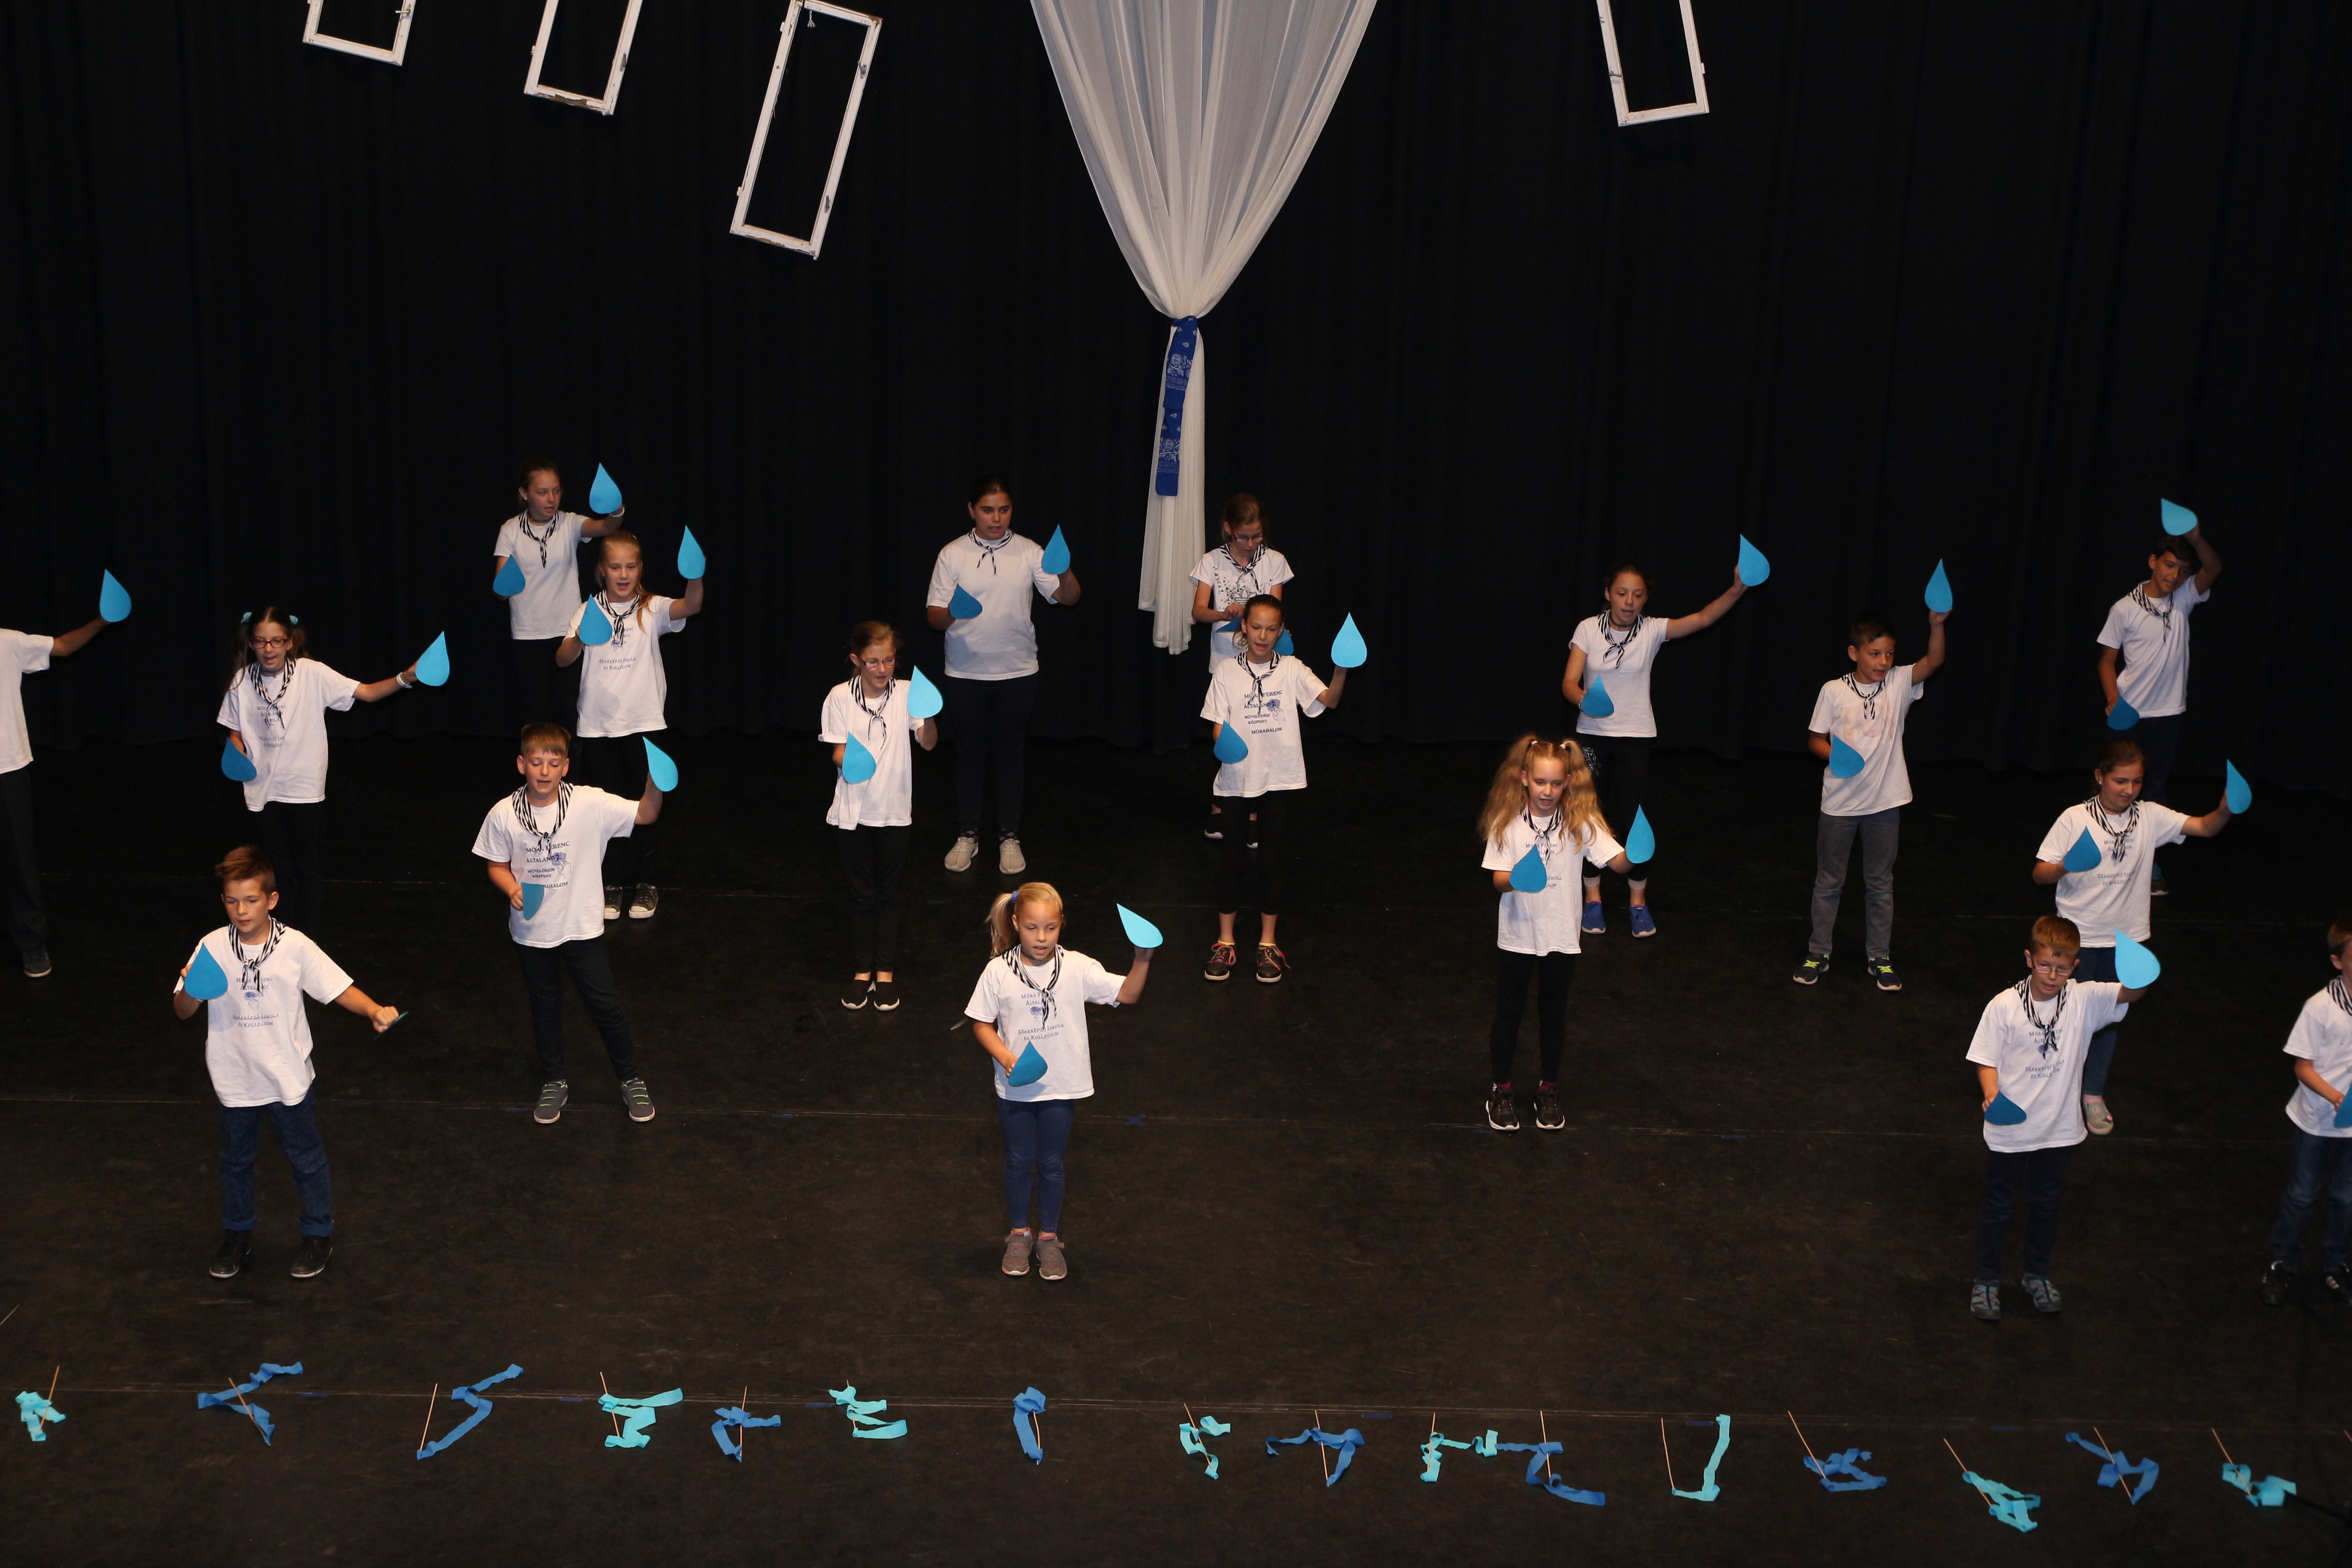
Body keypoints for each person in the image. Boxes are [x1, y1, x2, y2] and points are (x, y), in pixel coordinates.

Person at [170, 845, 402, 1282]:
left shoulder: (294, 946)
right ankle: (238, 1235)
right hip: (235, 1079)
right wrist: (193, 991)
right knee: (235, 1163)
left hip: (287, 1077)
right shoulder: (211, 947)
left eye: (251, 900)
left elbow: (336, 987)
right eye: (232, 901)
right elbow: (182, 1011)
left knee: (306, 1158)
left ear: (272, 900)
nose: (241, 910)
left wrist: (373, 1009)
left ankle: (317, 1234)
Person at [2030, 738, 2232, 1133]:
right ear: (2100, 776)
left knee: (2108, 1019)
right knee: (2063, 1018)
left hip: (2125, 941)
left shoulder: (2150, 816)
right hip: (2078, 939)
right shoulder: (2075, 818)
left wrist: (2225, 809)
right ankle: (2052, 1090)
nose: (2129, 790)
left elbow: (2205, 827)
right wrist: (2067, 865)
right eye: (2120, 781)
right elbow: (2040, 875)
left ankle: (2092, 1094)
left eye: (2137, 782)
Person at [470, 721, 664, 1126]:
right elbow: (496, 864)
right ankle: (554, 1080)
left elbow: (646, 814)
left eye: (553, 763)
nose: (544, 771)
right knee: (545, 1007)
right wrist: (512, 888)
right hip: (532, 931)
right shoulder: (504, 813)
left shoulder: (590, 803)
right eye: (536, 762)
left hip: (581, 928)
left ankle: (631, 1079)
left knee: (606, 1006)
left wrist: (655, 784)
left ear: (566, 766)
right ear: (521, 764)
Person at [1966, 916, 2151, 1322]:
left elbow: (2131, 993)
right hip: (2012, 1130)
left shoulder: (2085, 999)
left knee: (2046, 1206)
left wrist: (2141, 969)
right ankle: (1987, 1280)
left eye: (2063, 968)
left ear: (2076, 966)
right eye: (2045, 965)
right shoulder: (2004, 1005)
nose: (2053, 976)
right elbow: (1985, 1059)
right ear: (2029, 959)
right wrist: (1991, 1092)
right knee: (1998, 1207)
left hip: (2059, 1130)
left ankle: (2037, 1276)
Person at [965, 882, 1152, 1281]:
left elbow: (1128, 994)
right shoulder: (999, 971)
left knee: (1051, 1163)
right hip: (1016, 1088)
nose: (1042, 937)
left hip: (1061, 1087)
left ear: (1062, 924)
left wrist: (1143, 959)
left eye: (1050, 928)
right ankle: (1019, 1234)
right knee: (1018, 1161)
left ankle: (1048, 1238)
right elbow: (981, 1023)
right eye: (1032, 928)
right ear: (1016, 923)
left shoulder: (1078, 967)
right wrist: (1007, 1058)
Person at [1559, 561, 1749, 937]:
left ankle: (1638, 902)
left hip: (1635, 737)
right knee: (1589, 816)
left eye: (1638, 595)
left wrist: (1737, 589)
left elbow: (1703, 619)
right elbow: (1569, 682)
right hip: (1592, 737)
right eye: (1622, 593)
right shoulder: (1588, 629)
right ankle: (1592, 898)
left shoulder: (1652, 630)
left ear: (1646, 599)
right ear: (1608, 594)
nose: (1629, 602)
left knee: (1636, 822)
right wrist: (1584, 700)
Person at [216, 608, 420, 932]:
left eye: (277, 641)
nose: (269, 649)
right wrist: (237, 747)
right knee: (279, 868)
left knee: (307, 866)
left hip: (303, 789)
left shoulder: (311, 673)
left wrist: (406, 678)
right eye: (261, 641)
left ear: (290, 642)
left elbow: (367, 693)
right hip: (262, 789)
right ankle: (282, 934)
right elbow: (235, 730)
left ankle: (307, 938)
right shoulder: (242, 680)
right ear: (251, 643)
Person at [1476, 735, 1632, 1132]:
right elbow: (1498, 880)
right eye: (1541, 782)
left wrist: (1635, 855)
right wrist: (1518, 879)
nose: (1548, 791)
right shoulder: (1507, 821)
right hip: (1518, 935)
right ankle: (1501, 1090)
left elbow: (1617, 863)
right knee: (1509, 1013)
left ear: (1569, 783)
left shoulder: (1581, 821)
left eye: (1557, 784)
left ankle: (1548, 1089)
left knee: (1553, 1015)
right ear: (1524, 778)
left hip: (1561, 936)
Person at [925, 476, 1079, 876]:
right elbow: (934, 618)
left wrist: (1064, 571)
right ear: (972, 510)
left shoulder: (1029, 551)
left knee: (1011, 754)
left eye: (1004, 510)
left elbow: (1068, 598)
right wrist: (954, 611)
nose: (996, 518)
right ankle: (968, 835)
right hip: (965, 672)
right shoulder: (952, 554)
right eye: (988, 510)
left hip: (1018, 672)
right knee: (969, 754)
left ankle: (1009, 837)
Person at [1792, 607, 1948, 990]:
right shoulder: (1833, 691)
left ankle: (1879, 956)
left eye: (1889, 654)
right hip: (1840, 806)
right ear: (1854, 653)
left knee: (1880, 883)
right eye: (1875, 653)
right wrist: (1838, 757)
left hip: (1884, 805)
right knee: (1829, 882)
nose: (1883, 661)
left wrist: (1936, 625)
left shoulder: (1899, 683)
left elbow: (1934, 661)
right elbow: (1815, 741)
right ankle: (1818, 953)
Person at [557, 529, 703, 921]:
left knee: (645, 805)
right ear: (602, 570)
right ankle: (610, 884)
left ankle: (646, 883)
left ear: (640, 569)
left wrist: (696, 574)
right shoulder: (588, 609)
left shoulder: (652, 607)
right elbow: (562, 659)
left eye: (631, 567)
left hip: (644, 725)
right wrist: (580, 638)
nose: (623, 575)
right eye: (616, 567)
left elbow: (691, 605)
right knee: (606, 809)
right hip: (597, 728)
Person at [1200, 594, 1346, 985]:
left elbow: (1329, 701)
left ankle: (1268, 944)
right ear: (1244, 627)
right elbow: (1217, 725)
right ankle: (1225, 941)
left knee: (1270, 861)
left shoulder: (1293, 669)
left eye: (1271, 629)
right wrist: (1227, 745)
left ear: (1281, 632)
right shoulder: (1226, 671)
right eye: (1256, 627)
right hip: (1235, 783)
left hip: (1278, 781)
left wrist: (1341, 669)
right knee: (1231, 861)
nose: (1263, 636)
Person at [2096, 524, 2220, 895]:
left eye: (2182, 570)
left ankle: (2147, 862)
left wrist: (2196, 538)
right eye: (2169, 565)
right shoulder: (2125, 608)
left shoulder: (2184, 598)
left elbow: (2214, 568)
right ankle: (2106, 854)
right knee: (2116, 788)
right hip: (2129, 717)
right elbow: (2106, 662)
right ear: (2153, 562)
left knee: (2154, 791)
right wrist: (2114, 699)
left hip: (2168, 716)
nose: (2175, 576)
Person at [820, 621, 938, 1011]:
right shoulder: (839, 697)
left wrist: (928, 715)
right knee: (861, 896)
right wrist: (855, 762)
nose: (883, 669)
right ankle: (861, 973)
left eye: (889, 660)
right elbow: (837, 751)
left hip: (894, 812)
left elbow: (928, 743)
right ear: (856, 660)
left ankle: (884, 974)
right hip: (853, 814)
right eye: (873, 661)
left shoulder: (906, 692)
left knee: (889, 895)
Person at [0, 608, 111, 977]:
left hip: (8, 769)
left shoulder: (7, 642)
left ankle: (32, 942)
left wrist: (101, 622)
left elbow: (62, 646)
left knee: (20, 861)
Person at [2259, 917, 2352, 1309]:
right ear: (2337, 961)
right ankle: (2282, 1264)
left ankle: (2336, 1266)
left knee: (2346, 1198)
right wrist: (2338, 1099)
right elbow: (2303, 1068)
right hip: (2316, 1120)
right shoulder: (2320, 1008)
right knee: (2302, 1195)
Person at [1189, 494, 1293, 840]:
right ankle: (1221, 806)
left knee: (1260, 733)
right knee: (1226, 736)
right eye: (1243, 537)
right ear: (1228, 530)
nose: (1251, 544)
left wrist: (1260, 622)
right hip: (1226, 665)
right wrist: (1225, 613)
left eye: (1257, 536)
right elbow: (1198, 612)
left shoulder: (1274, 561)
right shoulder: (1211, 561)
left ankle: (1252, 812)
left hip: (1262, 664)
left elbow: (1274, 612)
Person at [492, 460, 618, 732]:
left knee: (570, 708)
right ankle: (536, 760)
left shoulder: (569, 523)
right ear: (525, 494)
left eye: (557, 491)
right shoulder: (510, 530)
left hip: (567, 634)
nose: (551, 499)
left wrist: (617, 510)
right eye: (542, 492)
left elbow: (606, 528)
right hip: (528, 635)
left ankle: (573, 759)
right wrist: (503, 589)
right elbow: (500, 592)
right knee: (535, 711)